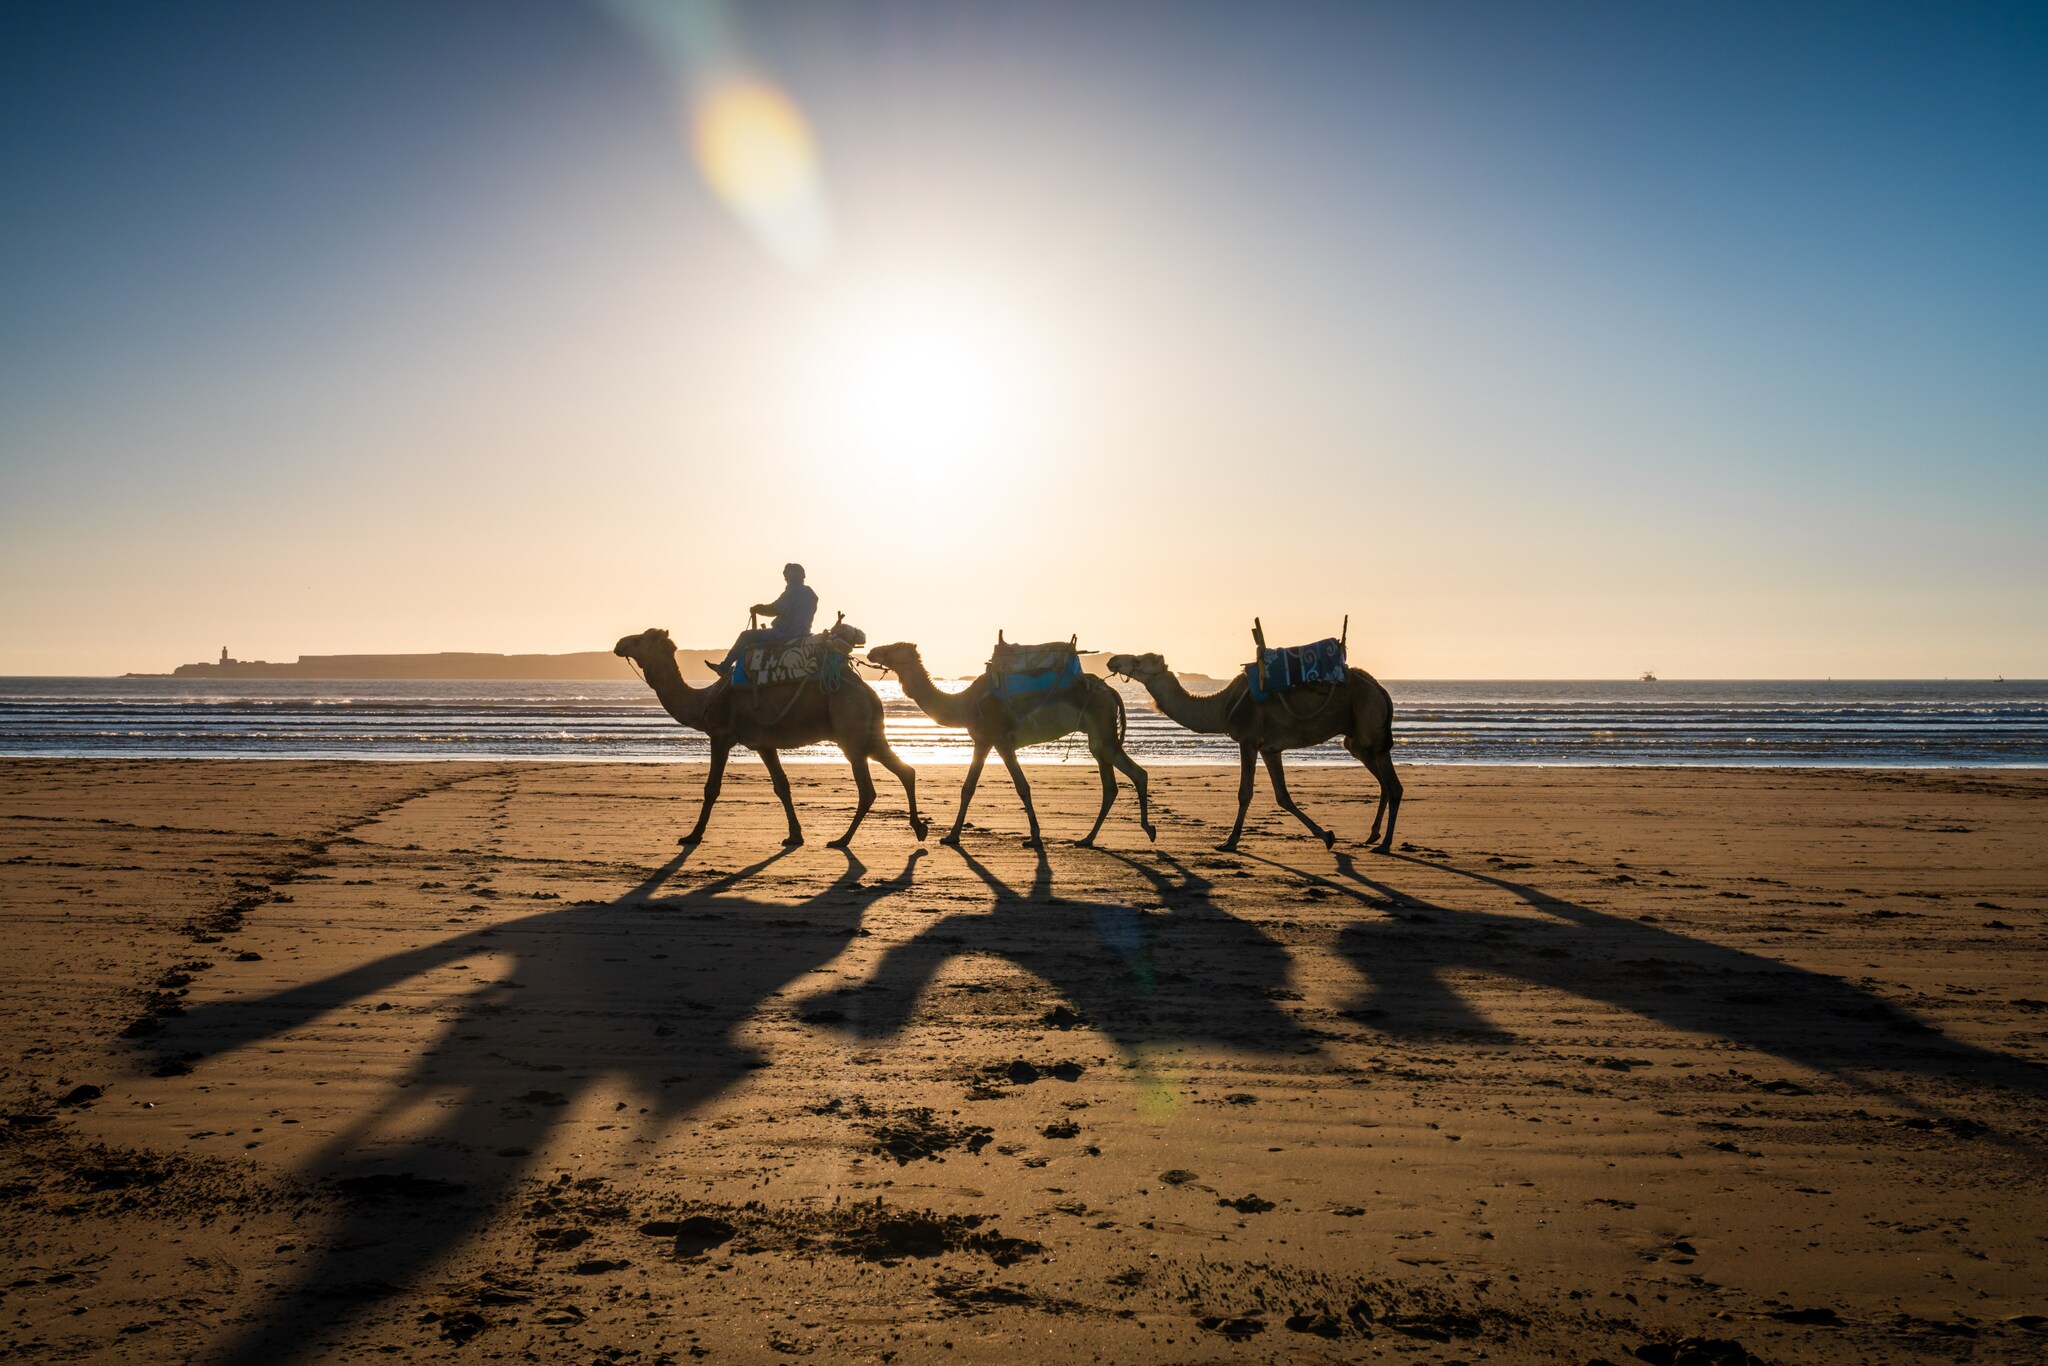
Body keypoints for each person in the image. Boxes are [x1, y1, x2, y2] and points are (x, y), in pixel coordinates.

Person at [716, 563, 819, 679]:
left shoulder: (793, 592)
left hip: (784, 634)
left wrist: (758, 608)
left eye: (787, 576)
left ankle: (724, 668)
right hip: (803, 633)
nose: (785, 579)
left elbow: (775, 609)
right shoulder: (811, 594)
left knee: (745, 636)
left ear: (794, 576)